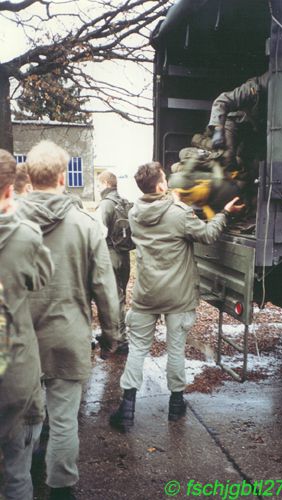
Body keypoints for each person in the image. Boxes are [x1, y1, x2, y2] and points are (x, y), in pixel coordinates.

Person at [17, 140, 120, 500]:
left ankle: (24, 478)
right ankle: (61, 490)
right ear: (63, 178)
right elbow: (104, 286)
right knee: (63, 420)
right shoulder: (86, 226)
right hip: (67, 337)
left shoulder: (8, 223)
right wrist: (111, 334)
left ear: (27, 177)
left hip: (19, 341)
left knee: (23, 419)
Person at [109, 161, 244, 432]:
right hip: (178, 297)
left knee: (137, 349)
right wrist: (224, 213)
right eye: (165, 179)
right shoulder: (179, 214)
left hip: (146, 295)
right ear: (160, 185)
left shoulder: (135, 213)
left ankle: (127, 408)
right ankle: (175, 405)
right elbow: (207, 235)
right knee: (175, 349)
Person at [0, 150, 54, 500]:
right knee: (16, 465)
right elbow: (42, 278)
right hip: (12, 368)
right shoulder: (25, 235)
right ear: (9, 191)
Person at [96, 170, 133, 354]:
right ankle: (118, 336)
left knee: (111, 298)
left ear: (104, 184)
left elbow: (99, 233)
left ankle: (120, 340)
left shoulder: (105, 204)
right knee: (120, 297)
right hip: (124, 256)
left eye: (98, 184)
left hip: (110, 254)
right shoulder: (125, 202)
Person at [208, 72, 269, 150]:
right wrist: (218, 131)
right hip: (234, 120)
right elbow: (221, 101)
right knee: (226, 155)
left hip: (254, 128)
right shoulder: (252, 88)